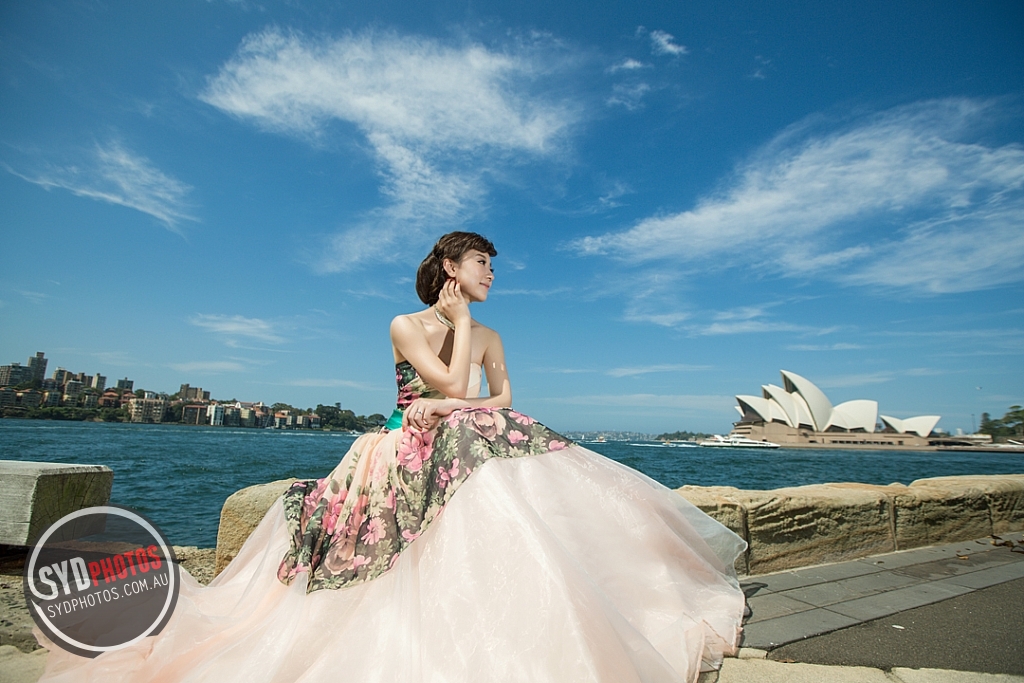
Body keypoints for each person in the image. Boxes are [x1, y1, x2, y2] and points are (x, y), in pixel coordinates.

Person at [37, 232, 746, 683]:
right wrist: (457, 346)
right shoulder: (406, 324)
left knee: (498, 432)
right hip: (397, 441)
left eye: (492, 266)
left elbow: (497, 397)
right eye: (482, 264)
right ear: (450, 267)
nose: (491, 274)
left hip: (456, 429)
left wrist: (460, 392)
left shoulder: (490, 333)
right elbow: (449, 385)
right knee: (469, 439)